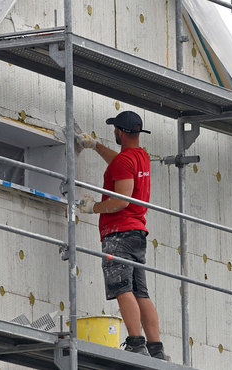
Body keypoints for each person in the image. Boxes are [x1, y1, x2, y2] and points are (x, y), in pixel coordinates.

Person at [75, 111, 166, 360]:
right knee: (140, 292)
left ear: (121, 132)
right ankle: (156, 349)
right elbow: (119, 163)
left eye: (114, 128)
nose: (113, 132)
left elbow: (121, 201)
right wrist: (95, 146)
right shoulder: (140, 157)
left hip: (119, 233)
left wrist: (93, 207)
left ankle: (136, 343)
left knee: (122, 288)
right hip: (137, 232)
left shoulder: (125, 161)